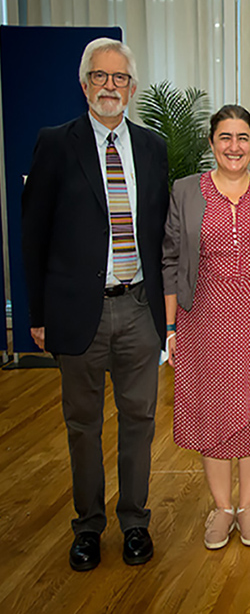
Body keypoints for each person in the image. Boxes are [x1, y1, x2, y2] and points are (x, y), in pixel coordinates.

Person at [21, 38, 168, 571]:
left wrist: (167, 310)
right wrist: (36, 315)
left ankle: (134, 522)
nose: (111, 87)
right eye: (100, 77)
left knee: (139, 421)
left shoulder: (152, 148)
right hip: (77, 312)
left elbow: (160, 234)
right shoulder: (55, 144)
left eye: (120, 78)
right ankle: (87, 527)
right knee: (82, 426)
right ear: (84, 85)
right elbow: (33, 235)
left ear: (131, 87)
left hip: (138, 309)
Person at [163, 105, 250, 550]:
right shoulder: (186, 192)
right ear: (212, 143)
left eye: (242, 137)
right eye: (225, 137)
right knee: (214, 413)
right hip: (203, 319)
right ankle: (221, 508)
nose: (234, 146)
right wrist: (170, 327)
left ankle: (249, 506)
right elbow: (170, 258)